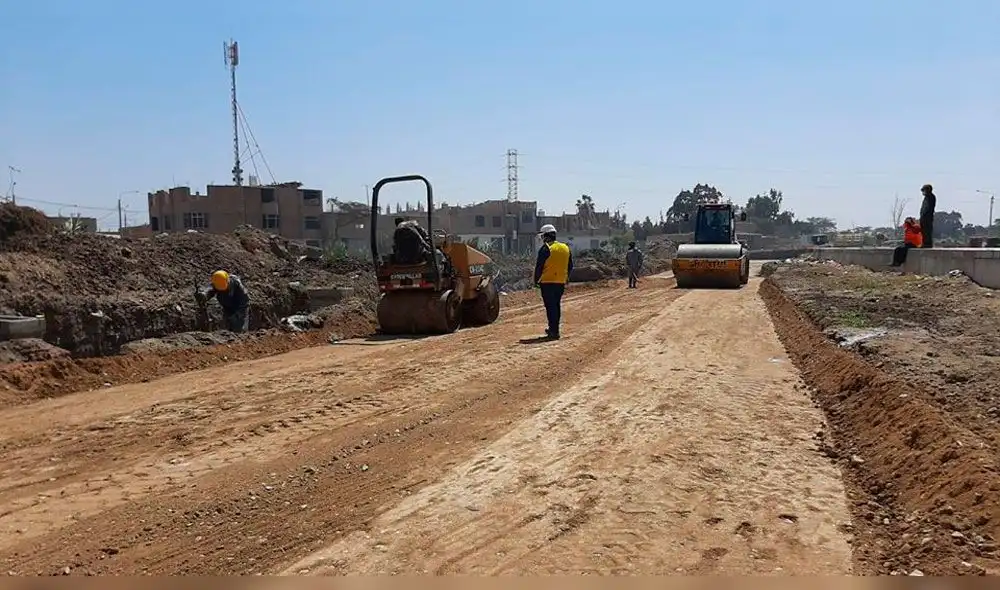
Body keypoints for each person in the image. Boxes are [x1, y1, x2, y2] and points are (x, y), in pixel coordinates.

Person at [534, 224, 573, 340]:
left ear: (546, 236)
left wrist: (536, 281)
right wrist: (566, 277)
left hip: (547, 282)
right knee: (556, 305)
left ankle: (554, 331)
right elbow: (570, 266)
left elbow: (539, 267)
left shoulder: (546, 248)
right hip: (560, 282)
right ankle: (554, 329)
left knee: (550, 307)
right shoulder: (565, 248)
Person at [919, 183, 936, 248]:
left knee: (927, 231)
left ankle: (927, 244)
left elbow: (927, 208)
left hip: (927, 218)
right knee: (924, 231)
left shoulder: (930, 197)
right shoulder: (927, 197)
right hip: (924, 217)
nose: (923, 192)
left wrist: (923, 215)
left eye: (923, 190)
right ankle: (924, 243)